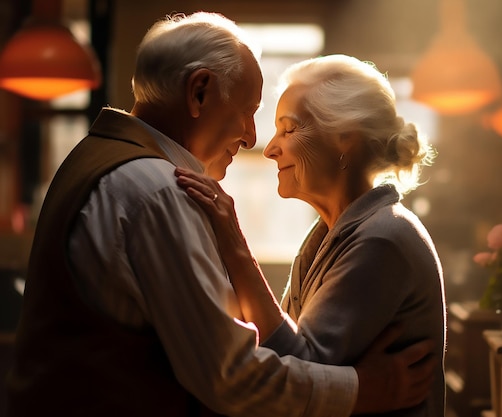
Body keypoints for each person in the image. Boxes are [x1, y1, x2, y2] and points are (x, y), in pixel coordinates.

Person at [5, 13, 436, 417]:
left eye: (285, 127)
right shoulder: (156, 192)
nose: (254, 139)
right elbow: (232, 376)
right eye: (249, 112)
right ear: (199, 91)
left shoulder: (103, 162)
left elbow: (265, 357)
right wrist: (367, 389)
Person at [176, 54, 447, 416]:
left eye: (288, 130)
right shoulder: (325, 235)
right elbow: (282, 362)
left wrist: (234, 244)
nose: (270, 149)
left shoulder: (382, 239)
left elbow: (300, 368)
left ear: (344, 137)